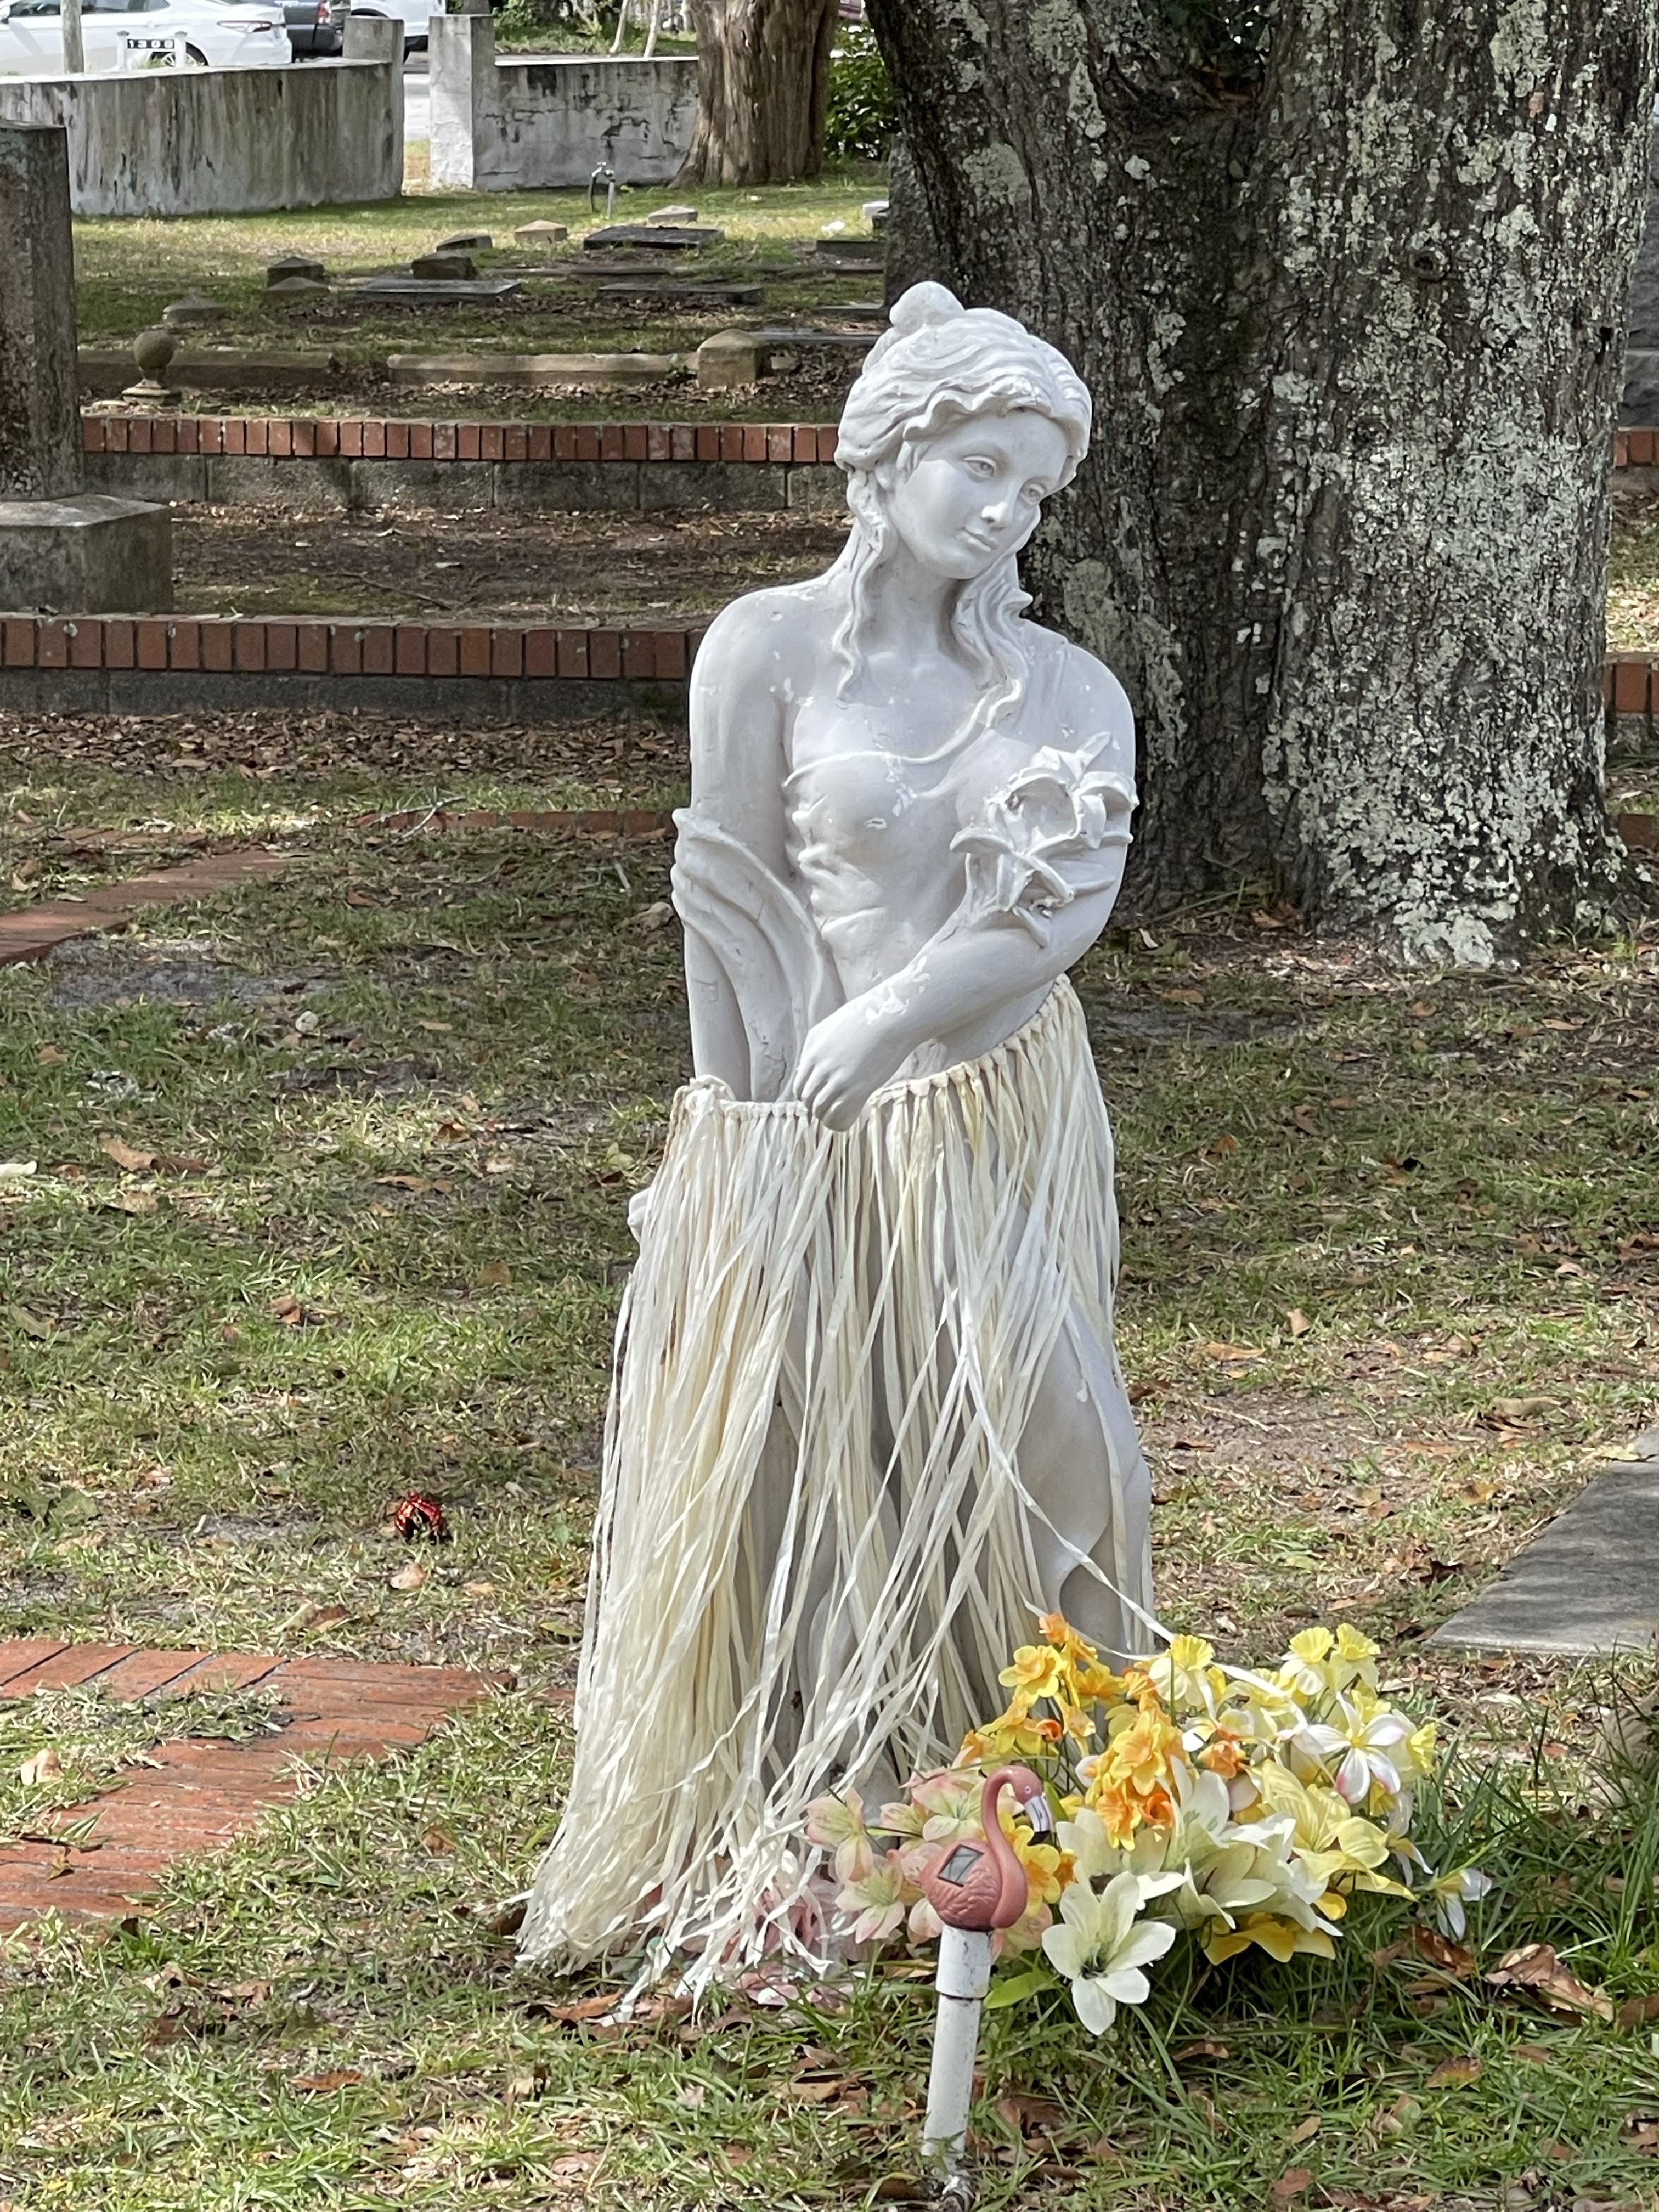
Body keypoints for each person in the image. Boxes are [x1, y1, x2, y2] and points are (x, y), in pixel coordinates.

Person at [520, 282, 1154, 1982]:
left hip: (979, 1109)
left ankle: (1067, 1777)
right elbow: (727, 904)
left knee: (1054, 1421)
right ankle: (836, 1802)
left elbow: (1057, 908)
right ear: (890, 452)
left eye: (1036, 488)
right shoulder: (766, 650)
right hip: (796, 1129)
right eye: (982, 469)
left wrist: (889, 1019)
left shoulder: (1065, 689)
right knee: (809, 1453)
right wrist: (726, 1144)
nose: (1008, 513)